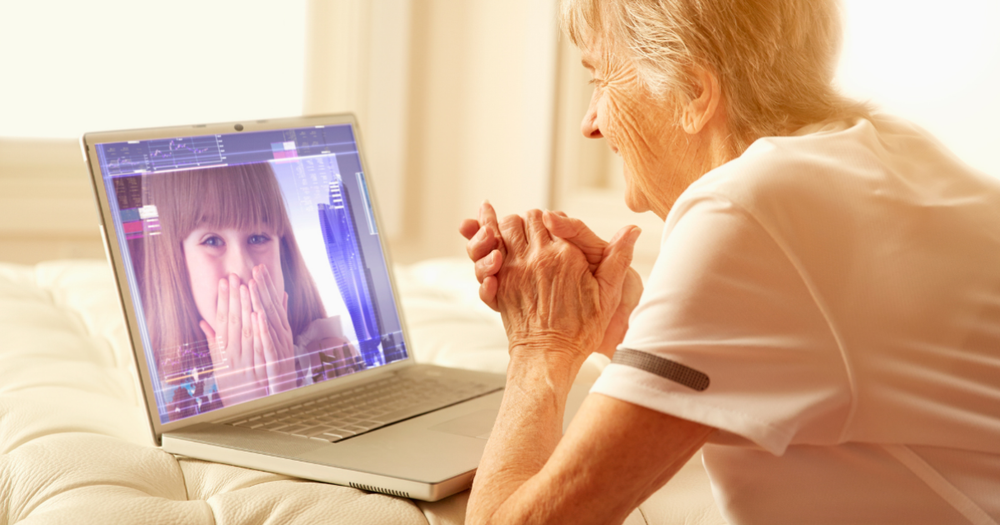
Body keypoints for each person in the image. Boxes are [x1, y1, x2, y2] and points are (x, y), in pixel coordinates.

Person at [459, 0, 1000, 524]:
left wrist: (540, 345)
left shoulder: (747, 209)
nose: (590, 122)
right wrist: (624, 323)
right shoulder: (883, 150)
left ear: (693, 92)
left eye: (600, 78)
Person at [139, 162, 363, 421]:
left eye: (258, 238)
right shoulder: (163, 388)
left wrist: (282, 394)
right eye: (212, 241)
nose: (243, 269)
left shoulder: (329, 354)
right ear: (175, 263)